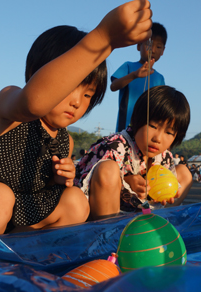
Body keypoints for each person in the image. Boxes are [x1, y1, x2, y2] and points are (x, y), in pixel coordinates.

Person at [0, 0, 152, 234]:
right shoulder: (10, 106)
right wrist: (104, 38)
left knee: (74, 199)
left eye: (87, 94)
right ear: (37, 74)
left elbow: (41, 191)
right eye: (69, 86)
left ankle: (24, 259)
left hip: (18, 221)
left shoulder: (65, 140)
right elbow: (34, 102)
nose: (76, 101)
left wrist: (57, 180)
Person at [75, 86, 192, 220]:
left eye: (169, 132)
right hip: (107, 215)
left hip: (141, 216)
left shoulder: (164, 157)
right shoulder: (114, 146)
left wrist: (164, 194)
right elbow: (88, 182)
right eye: (153, 126)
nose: (158, 138)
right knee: (108, 169)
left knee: (184, 174)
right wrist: (125, 179)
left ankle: (158, 224)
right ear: (137, 119)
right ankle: (108, 234)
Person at [111, 22, 167, 132]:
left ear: (163, 51)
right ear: (138, 45)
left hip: (147, 131)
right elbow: (113, 86)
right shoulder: (128, 66)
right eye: (149, 45)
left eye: (158, 46)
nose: (153, 50)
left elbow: (160, 106)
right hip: (125, 129)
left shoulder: (159, 78)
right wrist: (134, 75)